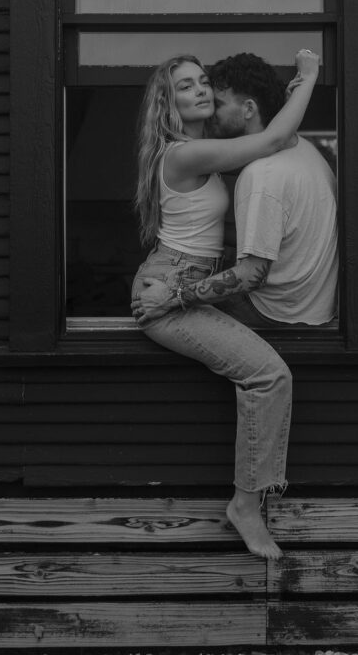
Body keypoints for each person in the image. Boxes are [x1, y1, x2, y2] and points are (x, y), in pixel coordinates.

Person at [131, 49, 323, 560]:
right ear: (168, 106)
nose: (201, 91)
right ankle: (245, 505)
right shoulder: (182, 154)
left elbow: (266, 137)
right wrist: (306, 80)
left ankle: (248, 502)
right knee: (269, 375)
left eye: (203, 82)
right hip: (166, 291)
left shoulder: (209, 144)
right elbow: (274, 138)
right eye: (186, 87)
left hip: (188, 283)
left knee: (263, 363)